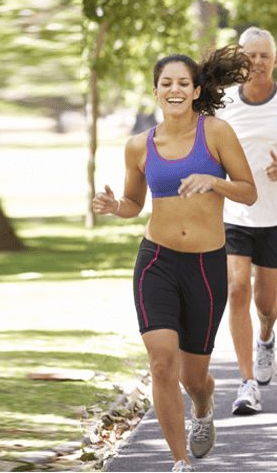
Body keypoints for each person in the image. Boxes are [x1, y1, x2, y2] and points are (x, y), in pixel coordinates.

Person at [91, 47, 256, 472]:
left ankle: (203, 405)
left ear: (196, 89)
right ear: (156, 91)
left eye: (183, 83)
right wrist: (115, 207)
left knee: (193, 377)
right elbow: (133, 202)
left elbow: (249, 190)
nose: (175, 90)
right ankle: (180, 460)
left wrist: (214, 181)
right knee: (162, 362)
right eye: (167, 84)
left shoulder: (216, 132)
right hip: (156, 261)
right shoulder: (139, 146)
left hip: (205, 265)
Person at [216, 27, 277, 416]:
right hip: (235, 213)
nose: (256, 62)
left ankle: (267, 336)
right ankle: (246, 384)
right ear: (239, 59)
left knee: (265, 302)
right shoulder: (222, 104)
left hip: (275, 216)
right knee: (238, 288)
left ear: (274, 61)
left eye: (264, 56)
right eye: (250, 55)